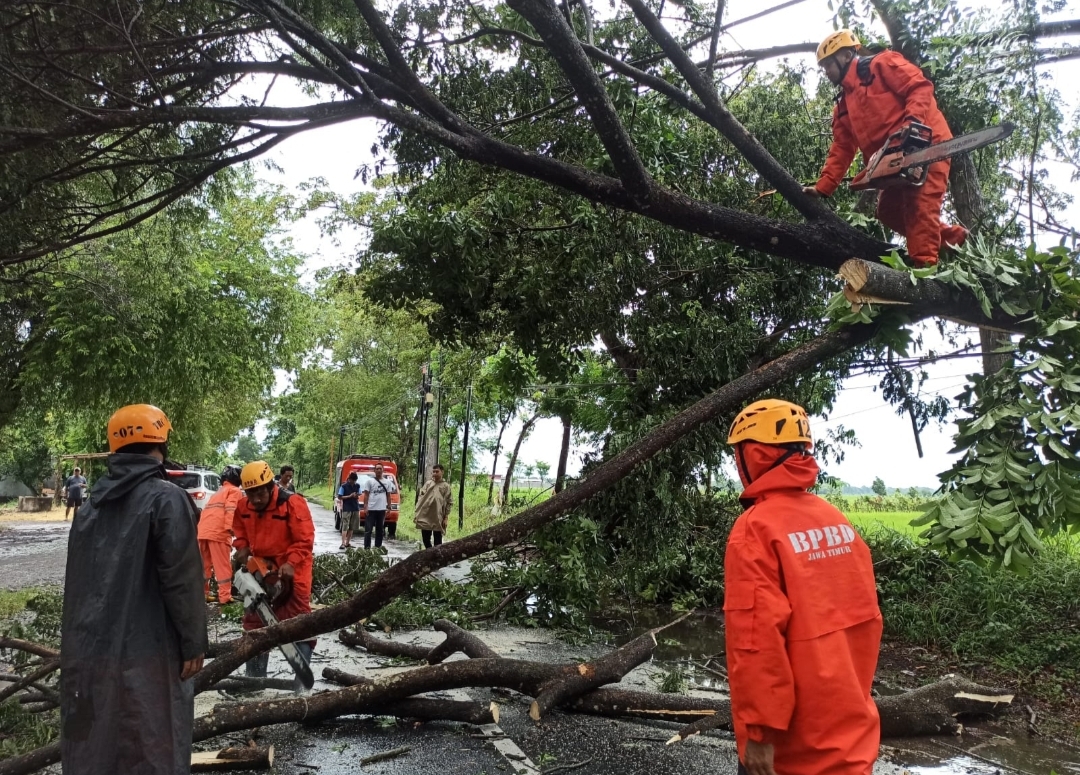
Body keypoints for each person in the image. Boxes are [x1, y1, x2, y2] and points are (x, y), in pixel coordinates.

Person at [724, 399, 882, 775]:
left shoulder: (755, 530)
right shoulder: (836, 522)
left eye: (738, 454)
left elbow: (756, 642)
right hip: (851, 743)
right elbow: (867, 624)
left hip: (793, 753)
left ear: (755, 455)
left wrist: (760, 734)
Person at [60, 404, 207, 775]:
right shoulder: (167, 499)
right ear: (160, 442)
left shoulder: (91, 505)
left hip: (93, 648)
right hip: (151, 648)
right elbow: (182, 579)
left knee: (100, 740)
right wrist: (193, 642)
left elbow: (79, 587)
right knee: (154, 736)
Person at [803, 30, 968, 268]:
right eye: (823, 66)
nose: (826, 70)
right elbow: (842, 147)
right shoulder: (842, 108)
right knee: (888, 210)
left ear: (847, 55)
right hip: (892, 164)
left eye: (829, 63)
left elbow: (919, 87)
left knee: (919, 206)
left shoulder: (881, 64)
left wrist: (911, 121)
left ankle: (924, 269)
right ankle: (953, 239)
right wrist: (823, 186)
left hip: (927, 145)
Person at [232, 460, 315, 677]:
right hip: (261, 566)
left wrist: (291, 562)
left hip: (292, 568)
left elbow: (304, 540)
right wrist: (241, 547)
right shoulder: (243, 506)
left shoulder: (292, 504)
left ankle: (300, 681)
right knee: (254, 622)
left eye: (260, 493)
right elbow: (239, 531)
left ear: (271, 487)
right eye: (251, 494)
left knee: (298, 621)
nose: (256, 499)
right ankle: (255, 679)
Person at [197, 464, 243, 604]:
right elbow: (231, 509)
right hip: (219, 532)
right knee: (222, 566)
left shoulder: (219, 492)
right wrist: (231, 529)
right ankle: (225, 596)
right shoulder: (234, 491)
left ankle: (202, 594)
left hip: (203, 531)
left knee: (203, 566)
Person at [360, 463, 398, 550]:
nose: (379, 470)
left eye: (380, 469)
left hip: (381, 510)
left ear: (383, 470)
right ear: (374, 471)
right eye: (377, 469)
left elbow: (388, 495)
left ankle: (378, 548)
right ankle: (367, 548)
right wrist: (365, 507)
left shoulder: (387, 482)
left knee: (380, 530)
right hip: (371, 509)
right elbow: (366, 495)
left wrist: (389, 507)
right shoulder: (370, 482)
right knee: (368, 530)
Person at [414, 464, 452, 548]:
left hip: (438, 516)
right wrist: (417, 512)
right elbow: (421, 498)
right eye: (433, 472)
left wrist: (446, 517)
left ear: (442, 472)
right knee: (425, 539)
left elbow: (449, 502)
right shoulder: (428, 483)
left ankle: (436, 556)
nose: (434, 473)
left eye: (437, 471)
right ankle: (429, 554)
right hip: (425, 514)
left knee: (438, 540)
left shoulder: (445, 486)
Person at [337, 471, 362, 550]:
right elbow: (340, 497)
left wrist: (356, 495)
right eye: (352, 480)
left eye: (355, 480)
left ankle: (347, 543)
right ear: (349, 479)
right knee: (345, 525)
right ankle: (342, 543)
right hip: (346, 508)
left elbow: (360, 493)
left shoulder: (357, 485)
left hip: (355, 508)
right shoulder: (343, 486)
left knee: (352, 526)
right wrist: (350, 496)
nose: (353, 482)